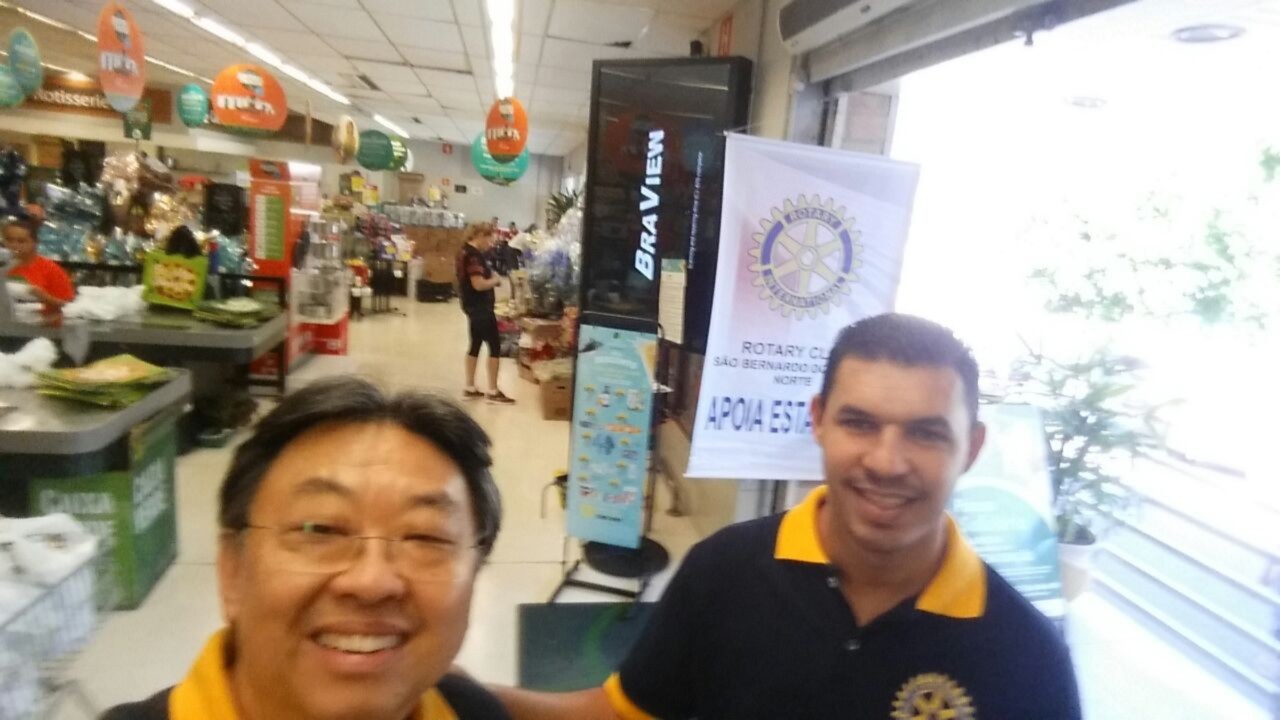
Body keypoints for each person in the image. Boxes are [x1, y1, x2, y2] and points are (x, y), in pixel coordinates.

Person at [492, 313, 1082, 719]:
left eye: (926, 433)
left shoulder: (1027, 658)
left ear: (972, 448)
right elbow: (625, 712)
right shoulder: (724, 571)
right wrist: (463, 697)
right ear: (818, 419)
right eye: (859, 423)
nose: (886, 462)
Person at [103, 376, 511, 720]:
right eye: (321, 529)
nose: (372, 582)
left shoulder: (472, 711)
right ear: (233, 570)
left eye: (425, 537)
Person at [457, 222, 515, 405]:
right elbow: (478, 284)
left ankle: (470, 386)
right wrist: (495, 281)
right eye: (489, 238)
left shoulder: (463, 252)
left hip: (471, 306)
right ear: (480, 235)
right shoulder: (474, 256)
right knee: (495, 346)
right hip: (481, 307)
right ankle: (493, 390)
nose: (490, 243)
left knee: (475, 344)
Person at [3, 217, 74, 310]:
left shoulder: (52, 270)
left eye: (21, 241)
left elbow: (70, 309)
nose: (14, 245)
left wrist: (45, 298)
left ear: (35, 243)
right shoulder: (2, 265)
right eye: (9, 240)